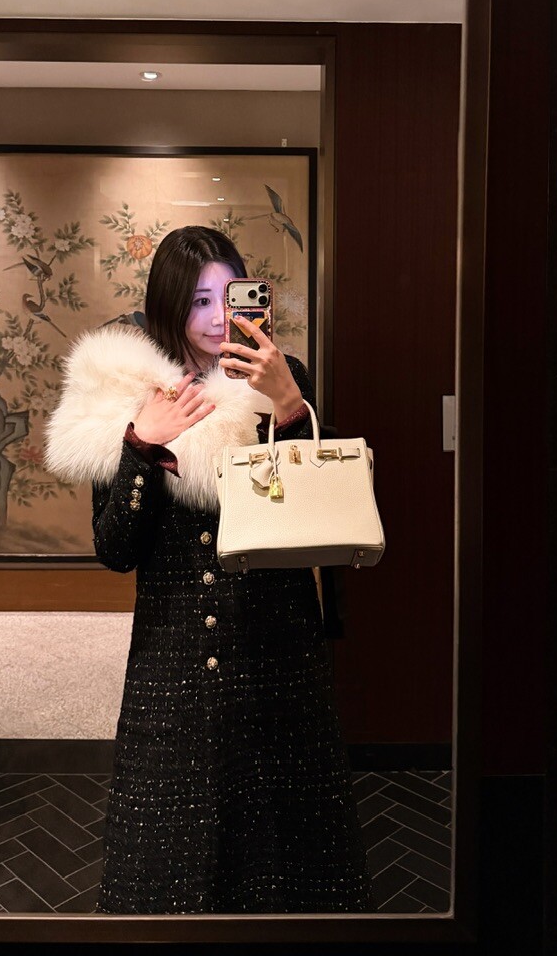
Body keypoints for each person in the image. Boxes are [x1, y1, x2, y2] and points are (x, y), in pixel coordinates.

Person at [44, 225, 373, 914]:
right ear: (168, 305)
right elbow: (115, 549)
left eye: (230, 296)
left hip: (277, 639)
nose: (219, 317)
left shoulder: (281, 378)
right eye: (199, 301)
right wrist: (141, 445)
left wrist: (288, 406)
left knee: (286, 836)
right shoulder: (124, 395)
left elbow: (318, 508)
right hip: (174, 651)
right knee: (168, 843)